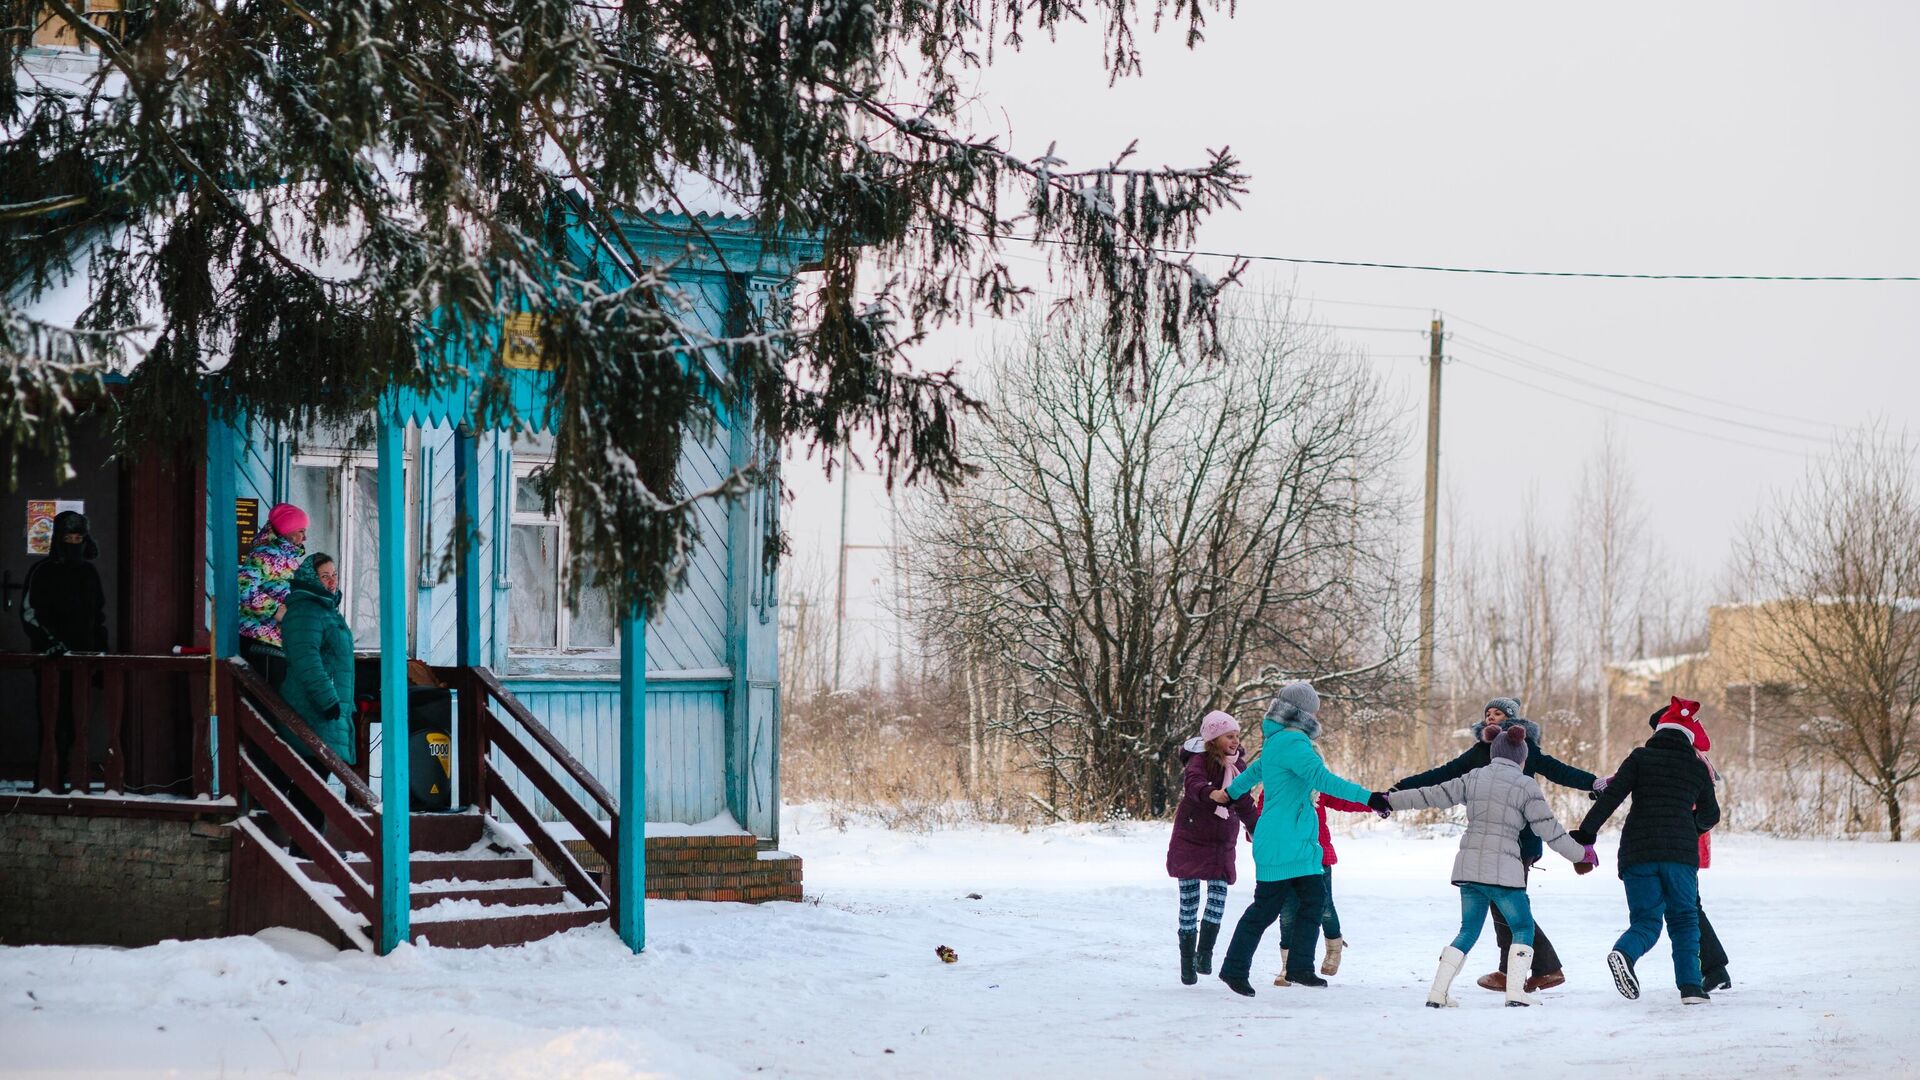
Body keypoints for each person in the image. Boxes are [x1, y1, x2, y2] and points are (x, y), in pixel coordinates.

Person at [1392, 697, 1601, 994]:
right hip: (1488, 846)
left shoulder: (1524, 747)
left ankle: (1542, 969)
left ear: (1513, 720)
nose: (1491, 717)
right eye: (1487, 713)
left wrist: (1594, 783)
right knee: (1503, 908)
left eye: (1498, 713)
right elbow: (1442, 775)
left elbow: (1560, 771)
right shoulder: (1480, 751)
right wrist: (1403, 787)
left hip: (1521, 843)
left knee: (1509, 910)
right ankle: (1518, 970)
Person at [1214, 681, 1388, 996]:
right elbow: (1323, 779)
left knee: (1313, 899)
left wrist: (1229, 793)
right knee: (1266, 908)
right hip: (1284, 840)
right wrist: (1370, 797)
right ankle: (1234, 969)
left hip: (1294, 839)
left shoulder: (1277, 741)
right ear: (1303, 712)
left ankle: (1300, 968)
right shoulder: (1294, 744)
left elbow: (1253, 774)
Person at [1572, 696, 1721, 1004]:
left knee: (1646, 920)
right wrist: (1686, 828)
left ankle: (1625, 952)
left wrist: (1586, 834)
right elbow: (1711, 816)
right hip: (1680, 857)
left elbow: (1611, 797)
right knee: (1684, 919)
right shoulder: (1697, 768)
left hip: (1637, 853)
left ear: (1659, 731)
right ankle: (1692, 988)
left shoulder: (1640, 757)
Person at [267, 553, 356, 853]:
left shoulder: (326, 610)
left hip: (326, 710)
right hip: (312, 708)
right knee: (310, 777)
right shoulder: (305, 611)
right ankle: (306, 848)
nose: (332, 581)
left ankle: (309, 845)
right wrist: (329, 700)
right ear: (310, 578)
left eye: (334, 575)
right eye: (324, 576)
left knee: (315, 776)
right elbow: (307, 660)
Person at [1165, 710, 1259, 985]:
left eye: (1237, 736)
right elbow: (1192, 783)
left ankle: (1204, 953)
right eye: (1230, 736)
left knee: (1218, 897)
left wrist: (1257, 829)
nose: (1235, 740)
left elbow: (1244, 802)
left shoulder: (1239, 766)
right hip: (1192, 837)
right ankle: (1186, 963)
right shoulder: (1199, 760)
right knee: (1189, 902)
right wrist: (1210, 793)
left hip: (1221, 841)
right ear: (1214, 738)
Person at [21, 510, 109, 791]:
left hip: (83, 660)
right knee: (51, 721)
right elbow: (29, 614)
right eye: (69, 537)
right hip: (51, 661)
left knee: (76, 724)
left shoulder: (89, 573)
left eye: (79, 537)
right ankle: (48, 781)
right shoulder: (42, 572)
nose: (74, 543)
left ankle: (72, 779)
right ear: (58, 540)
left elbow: (98, 617)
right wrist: (50, 644)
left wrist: (100, 654)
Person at [1264, 791, 1373, 985]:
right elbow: (1260, 819)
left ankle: (1334, 947)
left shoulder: (1317, 786)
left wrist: (1376, 803)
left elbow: (1345, 799)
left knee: (1324, 907)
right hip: (1285, 859)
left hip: (1317, 858)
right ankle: (1288, 966)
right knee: (1288, 913)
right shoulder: (1274, 785)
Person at [237, 503, 308, 690]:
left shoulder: (288, 560)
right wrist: (275, 609)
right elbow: (243, 586)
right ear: (288, 530)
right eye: (301, 531)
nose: (304, 537)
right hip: (261, 643)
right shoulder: (264, 556)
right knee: (266, 704)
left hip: (279, 644)